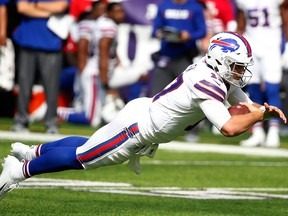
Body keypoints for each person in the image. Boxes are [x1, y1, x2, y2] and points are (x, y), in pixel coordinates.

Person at [0, 32, 286, 201]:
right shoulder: (207, 82)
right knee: (83, 158)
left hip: (141, 113)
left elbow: (240, 99)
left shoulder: (214, 74)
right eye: (235, 66)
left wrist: (255, 109)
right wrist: (260, 115)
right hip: (137, 129)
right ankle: (18, 171)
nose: (239, 73)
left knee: (88, 145)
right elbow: (229, 128)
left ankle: (32, 151)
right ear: (219, 59)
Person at [150, 0, 206, 142]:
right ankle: (152, 129)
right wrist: (159, 33)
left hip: (184, 57)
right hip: (166, 55)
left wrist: (189, 35)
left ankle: (192, 131)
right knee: (156, 95)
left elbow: (202, 31)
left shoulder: (195, 7)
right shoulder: (164, 6)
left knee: (190, 96)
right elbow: (155, 29)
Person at [11, 0, 69, 134]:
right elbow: (22, 8)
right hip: (27, 41)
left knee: (52, 87)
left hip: (51, 43)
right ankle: (21, 120)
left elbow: (61, 6)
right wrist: (49, 12)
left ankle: (51, 122)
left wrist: (35, 5)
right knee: (24, 84)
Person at [235, 0, 288, 148]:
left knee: (272, 90)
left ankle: (273, 131)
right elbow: (241, 24)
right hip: (251, 46)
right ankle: (257, 132)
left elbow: (286, 20)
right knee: (253, 90)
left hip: (272, 46)